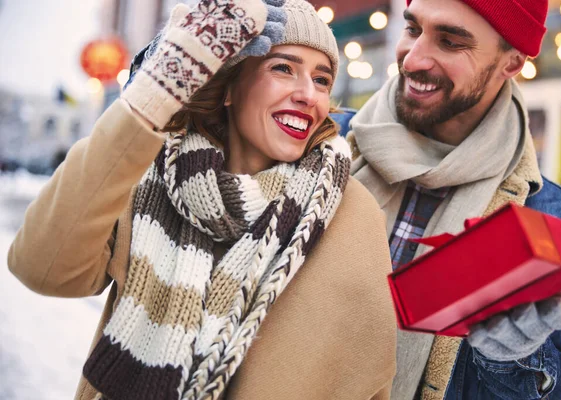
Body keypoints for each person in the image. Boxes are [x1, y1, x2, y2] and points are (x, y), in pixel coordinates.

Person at [7, 1, 397, 399]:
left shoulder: (350, 213)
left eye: (322, 79)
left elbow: (372, 377)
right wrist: (154, 89)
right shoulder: (146, 178)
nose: (307, 94)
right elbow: (40, 266)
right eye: (283, 68)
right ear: (228, 88)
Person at [344, 0, 561, 399]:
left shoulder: (547, 212)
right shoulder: (328, 142)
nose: (414, 59)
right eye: (412, 29)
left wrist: (514, 356)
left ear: (511, 64)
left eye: (451, 42)